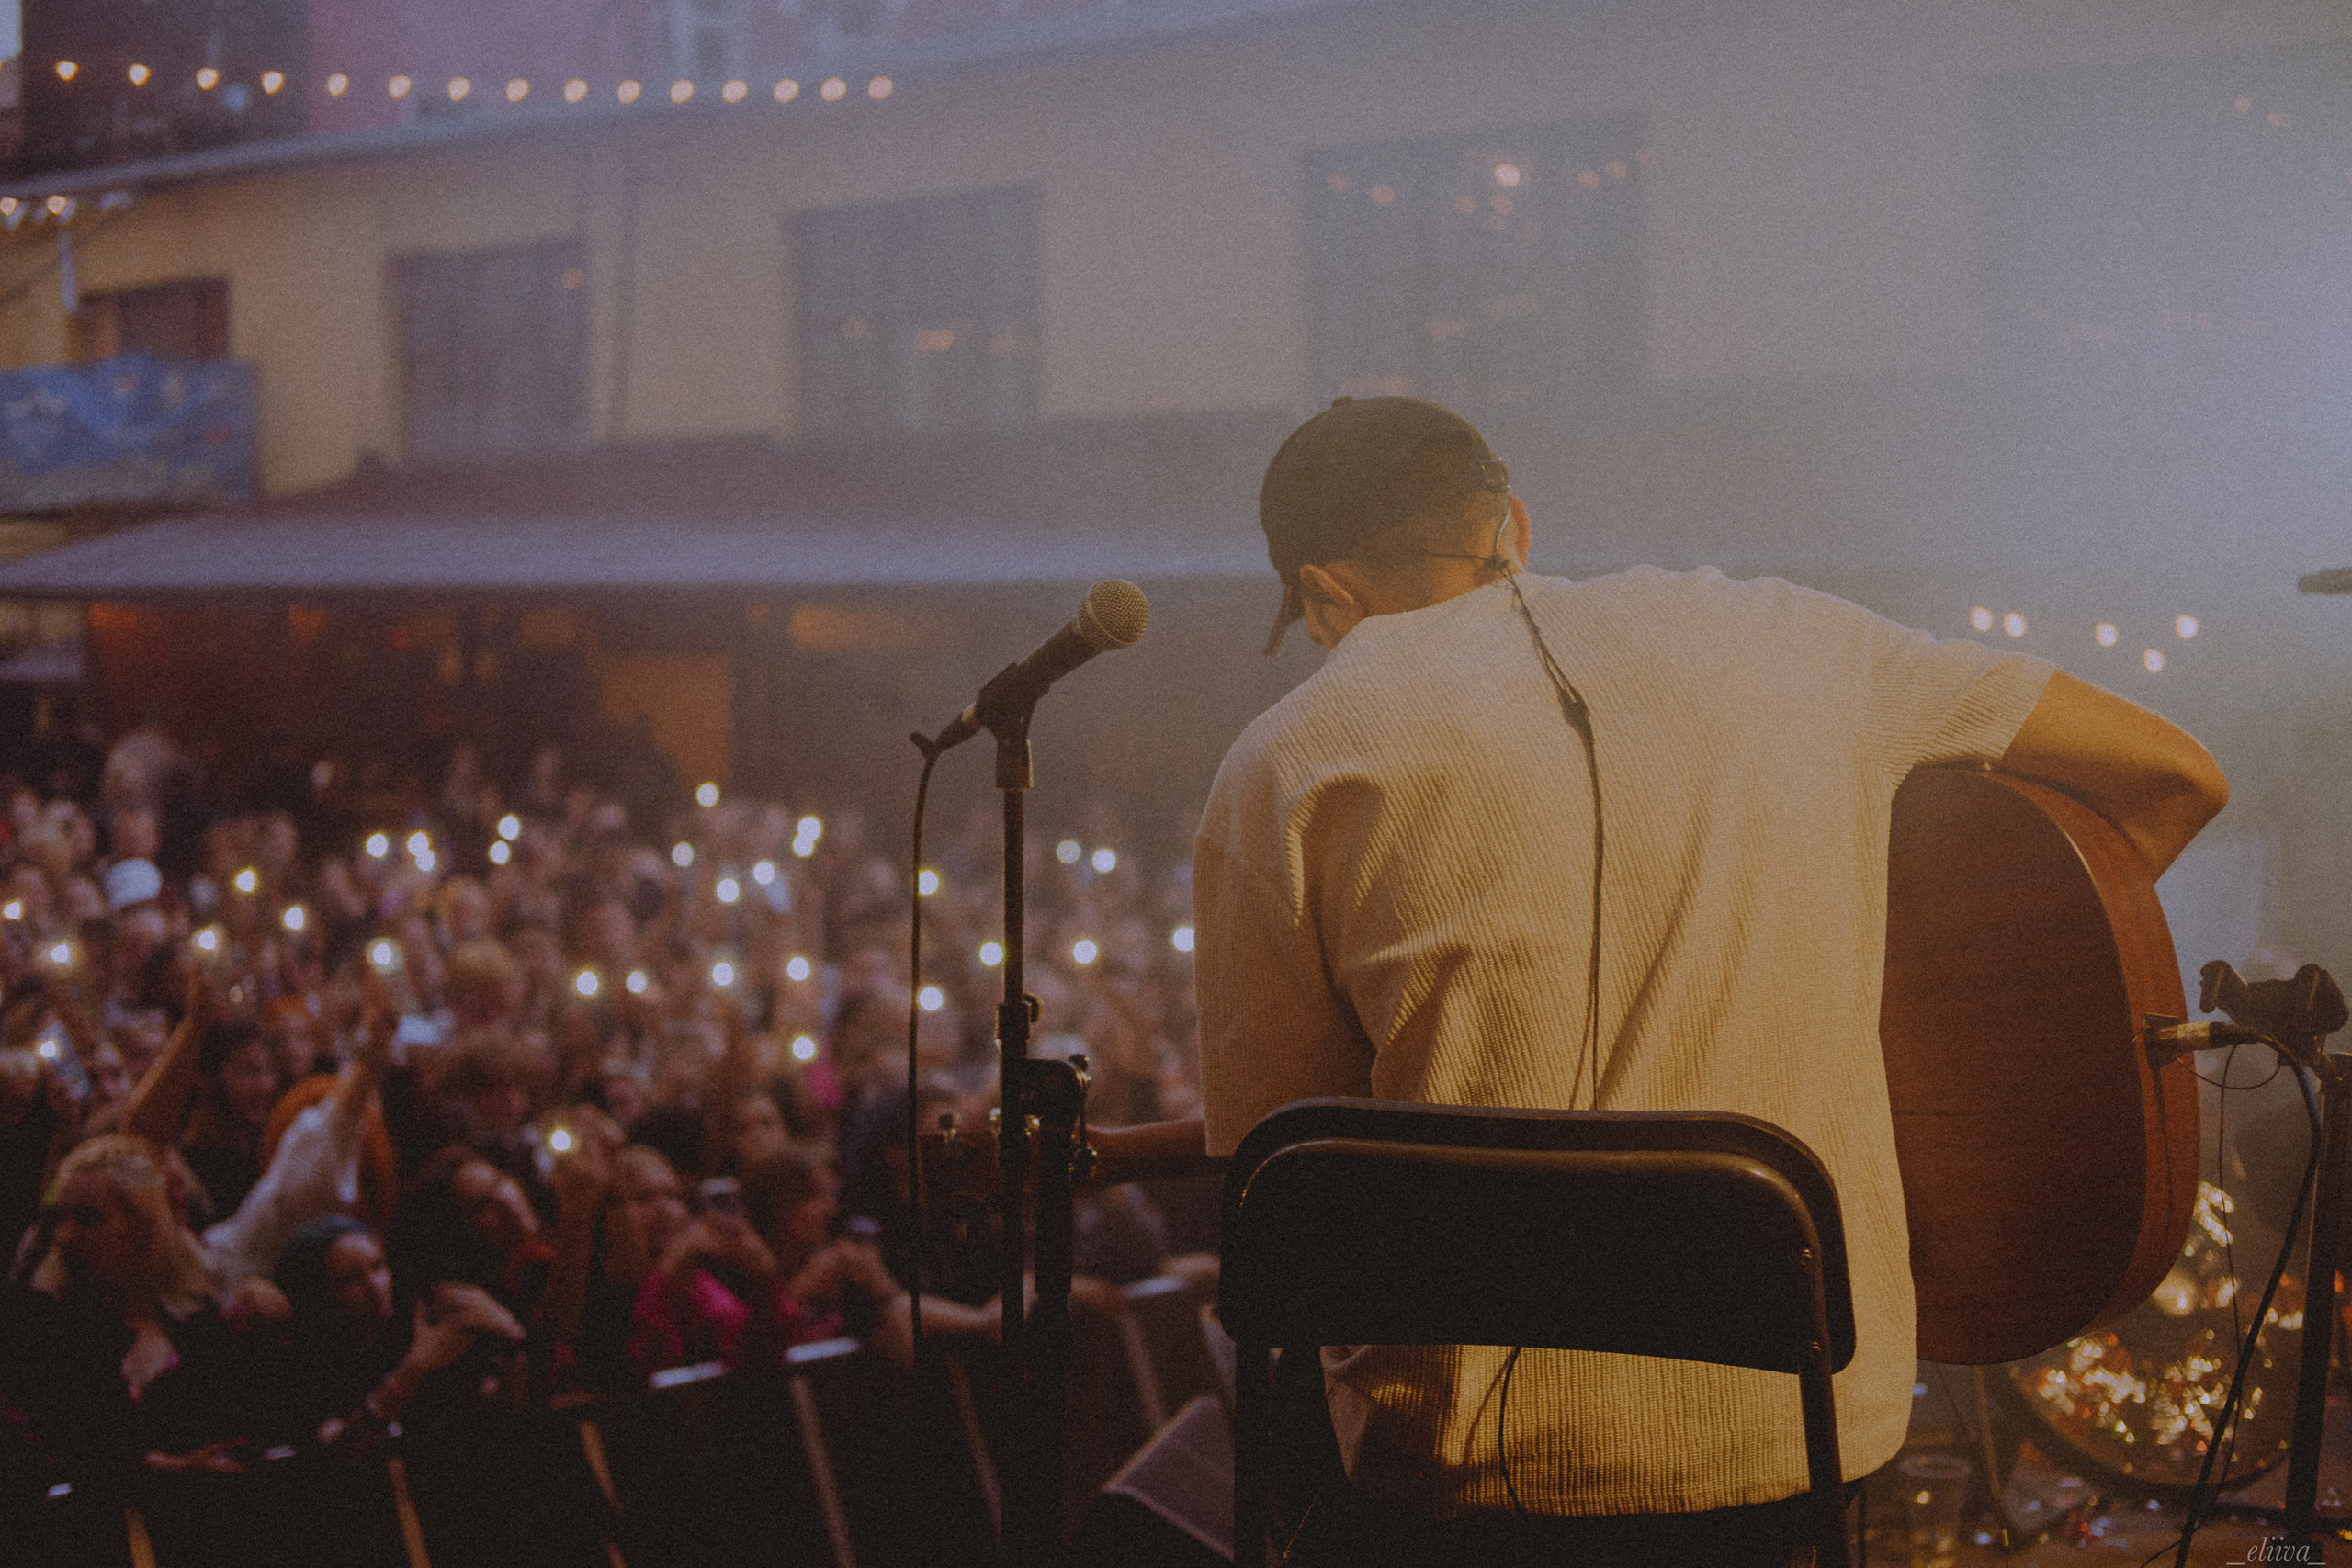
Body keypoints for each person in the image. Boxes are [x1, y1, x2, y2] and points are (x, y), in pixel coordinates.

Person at [1184, 397, 2228, 1561]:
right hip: (1809, 1437)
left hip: (1468, 1491)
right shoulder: (1799, 636)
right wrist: (1949, 1027)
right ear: (1513, 528)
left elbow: (1278, 1176)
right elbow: (2171, 776)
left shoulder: (1285, 756)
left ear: (1326, 593)